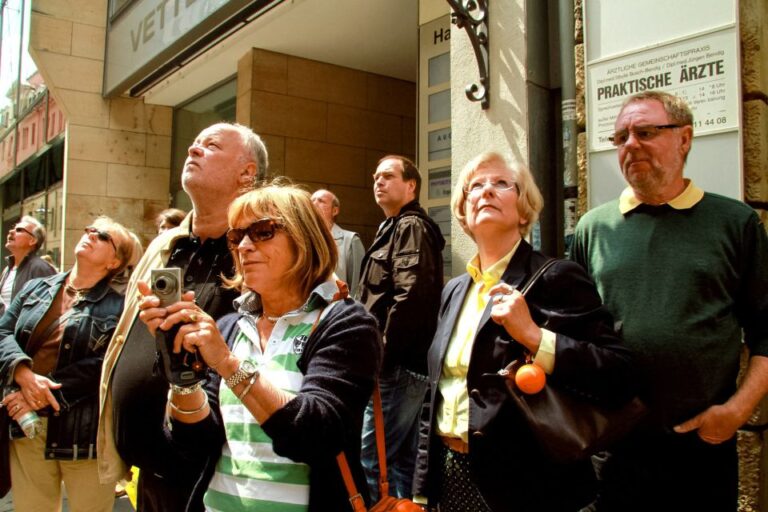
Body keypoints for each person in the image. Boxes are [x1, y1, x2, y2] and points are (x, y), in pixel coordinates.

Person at [571, 90, 768, 511]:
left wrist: (737, 411)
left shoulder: (736, 223)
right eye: (621, 136)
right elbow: (574, 331)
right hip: (613, 446)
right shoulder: (592, 228)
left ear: (685, 139)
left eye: (645, 131)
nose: (630, 145)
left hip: (700, 447)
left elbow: (766, 331)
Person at [136, 182, 382, 510]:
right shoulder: (230, 327)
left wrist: (227, 364)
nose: (245, 246)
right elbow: (195, 444)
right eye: (237, 236)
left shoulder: (345, 323)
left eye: (263, 231)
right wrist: (184, 374)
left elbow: (318, 436)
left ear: (305, 238)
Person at [411, 152, 634, 511]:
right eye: (475, 187)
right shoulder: (454, 290)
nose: (486, 192)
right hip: (451, 477)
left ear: (525, 208)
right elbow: (434, 393)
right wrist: (422, 488)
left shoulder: (556, 276)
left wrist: (533, 335)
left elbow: (617, 370)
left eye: (501, 183)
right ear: (463, 212)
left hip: (528, 485)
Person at [98, 122, 269, 511]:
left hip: (217, 481)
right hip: (147, 474)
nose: (193, 150)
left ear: (247, 173)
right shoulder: (165, 243)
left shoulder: (262, 247)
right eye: (192, 143)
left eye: (210, 146)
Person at [0, 216, 134, 512]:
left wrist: (39, 396)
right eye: (89, 229)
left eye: (101, 236)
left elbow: (105, 364)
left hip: (83, 434)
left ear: (114, 262)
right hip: (27, 424)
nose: (90, 234)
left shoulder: (119, 307)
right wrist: (23, 375)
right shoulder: (36, 288)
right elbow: (2, 332)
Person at [357, 155, 445, 500]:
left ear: (411, 185)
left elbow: (409, 298)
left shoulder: (410, 226)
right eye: (376, 176)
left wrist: (381, 356)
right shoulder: (392, 227)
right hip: (401, 365)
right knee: (401, 462)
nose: (378, 182)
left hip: (395, 365)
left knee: (371, 460)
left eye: (388, 176)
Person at [310, 188, 366, 296]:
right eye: (312, 201)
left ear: (335, 211)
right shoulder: (301, 240)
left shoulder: (351, 240)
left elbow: (358, 288)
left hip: (338, 309)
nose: (314, 204)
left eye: (321, 201)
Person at [0, 216, 56, 315]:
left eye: (19, 230)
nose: (11, 232)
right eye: (13, 228)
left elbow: (48, 308)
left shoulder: (40, 268)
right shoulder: (8, 269)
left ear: (32, 240)